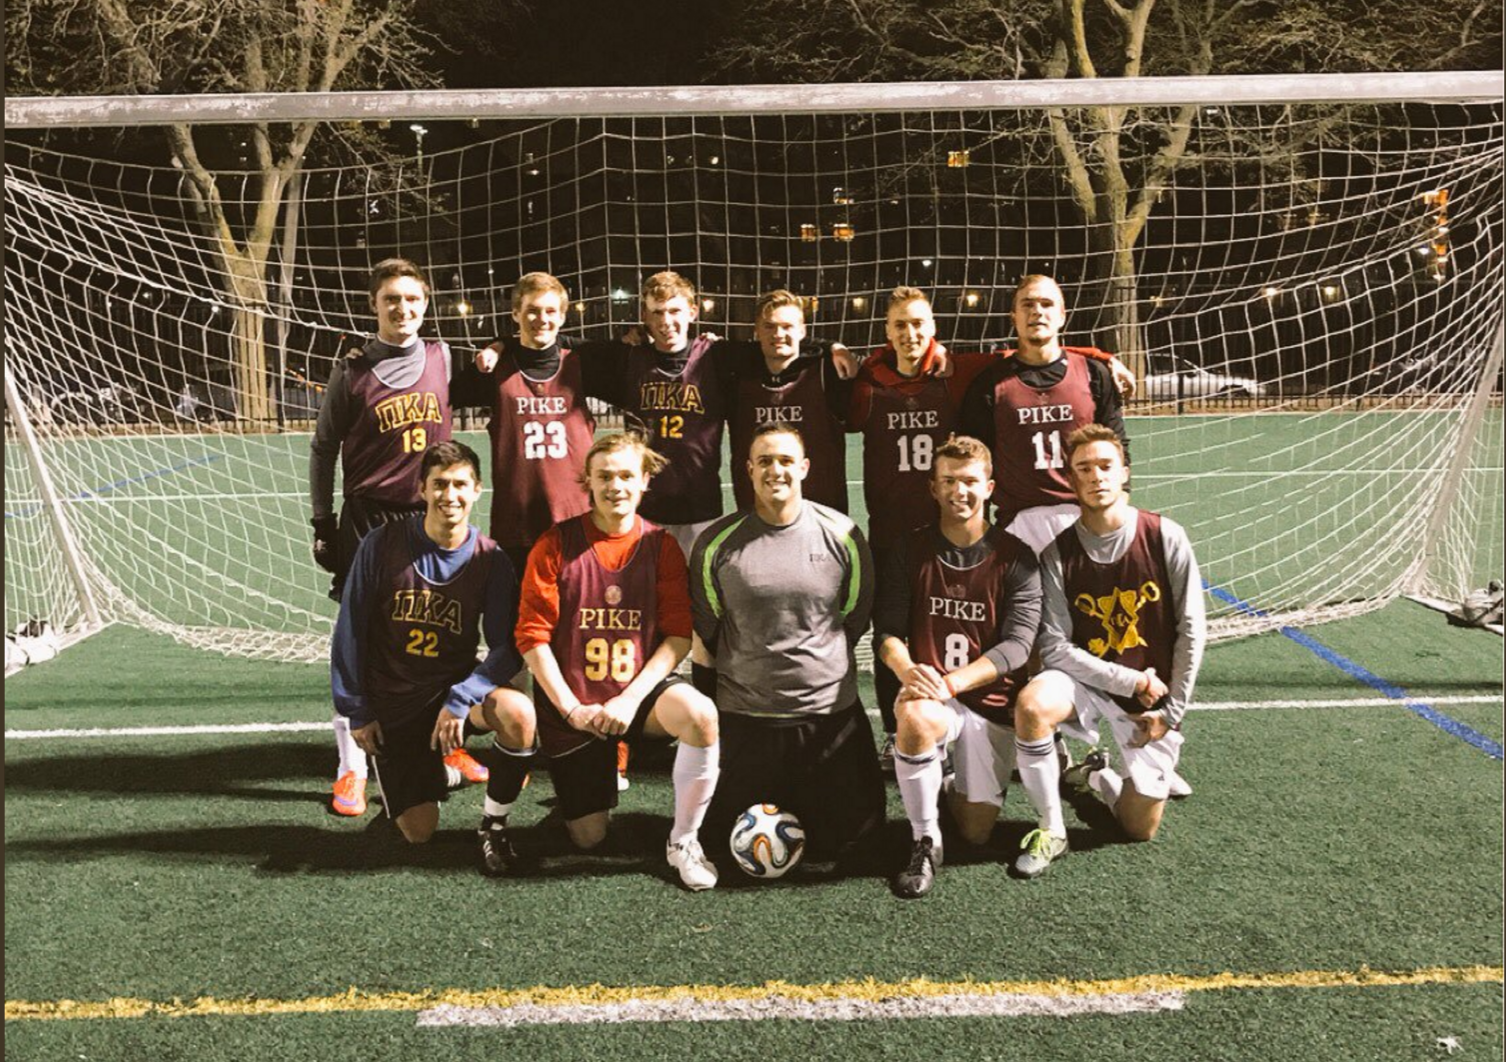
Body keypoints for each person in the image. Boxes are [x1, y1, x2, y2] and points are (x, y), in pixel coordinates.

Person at [850, 285, 1126, 769]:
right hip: (894, 528)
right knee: (897, 628)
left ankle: (1038, 732)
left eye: (919, 323)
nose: (910, 333)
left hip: (956, 522)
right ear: (886, 332)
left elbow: (1028, 350)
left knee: (1023, 627)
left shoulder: (961, 372)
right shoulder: (866, 381)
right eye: (899, 324)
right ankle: (901, 735)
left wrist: (1097, 356)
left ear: (934, 329)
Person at [311, 258, 488, 817]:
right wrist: (322, 522)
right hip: (369, 520)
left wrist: (495, 354)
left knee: (446, 633)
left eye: (412, 300)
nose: (403, 309)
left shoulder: (443, 357)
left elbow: (502, 376)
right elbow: (323, 448)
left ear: (426, 304)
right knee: (358, 642)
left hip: (434, 516)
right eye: (392, 300)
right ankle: (350, 768)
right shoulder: (353, 368)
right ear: (374, 306)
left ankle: (448, 744)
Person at [515, 432, 722, 890]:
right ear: (586, 481)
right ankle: (593, 779)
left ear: (645, 481)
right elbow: (532, 637)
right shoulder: (555, 544)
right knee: (588, 838)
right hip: (575, 703)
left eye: (627, 475)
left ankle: (684, 839)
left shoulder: (661, 546)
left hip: (635, 698)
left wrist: (629, 702)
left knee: (701, 715)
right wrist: (572, 709)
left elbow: (677, 636)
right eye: (604, 476)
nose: (616, 486)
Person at [1008, 424, 1206, 878]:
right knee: (1033, 705)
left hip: (1148, 702)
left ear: (1124, 474)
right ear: (1071, 481)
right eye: (1084, 469)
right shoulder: (1057, 552)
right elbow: (1053, 646)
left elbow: (1191, 630)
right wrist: (1127, 680)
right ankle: (1052, 827)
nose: (1096, 476)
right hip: (1089, 680)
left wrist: (1170, 713)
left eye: (1105, 466)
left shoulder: (1165, 536)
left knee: (1138, 830)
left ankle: (1097, 776)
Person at [332, 440, 536, 865]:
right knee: (418, 833)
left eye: (460, 484)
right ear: (421, 489)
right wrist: (357, 709)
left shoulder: (491, 559)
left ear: (478, 490)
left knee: (518, 713)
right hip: (395, 702)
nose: (450, 495)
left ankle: (494, 827)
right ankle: (441, 770)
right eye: (439, 484)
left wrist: (463, 696)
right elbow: (350, 630)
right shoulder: (381, 544)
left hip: (451, 696)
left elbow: (507, 648)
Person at [691, 422, 883, 871]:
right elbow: (709, 628)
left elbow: (854, 617)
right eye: (764, 461)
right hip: (746, 721)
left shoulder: (844, 536)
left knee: (855, 847)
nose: (775, 470)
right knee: (718, 842)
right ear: (749, 470)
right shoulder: (715, 543)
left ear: (804, 467)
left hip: (826, 718)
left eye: (784, 461)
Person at [873, 436, 1042, 898]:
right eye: (948, 481)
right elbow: (886, 632)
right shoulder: (909, 550)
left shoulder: (1016, 557)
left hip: (988, 704)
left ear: (989, 487)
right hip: (933, 701)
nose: (959, 491)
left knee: (976, 832)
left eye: (969, 481)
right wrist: (908, 671)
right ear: (933, 488)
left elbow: (1018, 646)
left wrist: (952, 682)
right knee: (913, 717)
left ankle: (939, 773)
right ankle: (924, 839)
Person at [959, 274, 1131, 555]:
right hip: (1018, 523)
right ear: (1013, 316)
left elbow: (1118, 446)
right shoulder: (988, 384)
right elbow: (977, 464)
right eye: (1027, 304)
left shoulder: (1094, 375)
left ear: (1062, 315)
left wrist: (1118, 505)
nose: (1037, 311)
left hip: (1085, 515)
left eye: (1046, 304)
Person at [726, 289, 853, 514]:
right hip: (757, 518)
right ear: (756, 331)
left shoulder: (828, 371)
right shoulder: (735, 374)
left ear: (803, 331)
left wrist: (937, 350)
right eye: (769, 326)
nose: (778, 334)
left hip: (822, 518)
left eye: (787, 327)